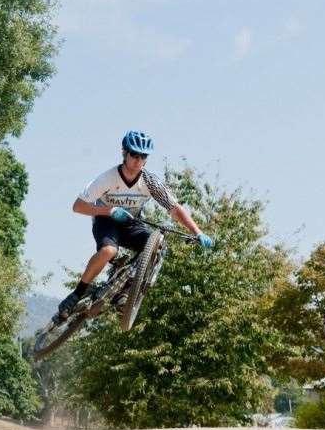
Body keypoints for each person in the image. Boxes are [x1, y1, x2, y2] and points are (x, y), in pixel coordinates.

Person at [56, 130, 213, 319]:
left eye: (143, 156)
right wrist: (110, 210)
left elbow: (174, 208)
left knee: (159, 246)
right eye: (134, 155)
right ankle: (78, 293)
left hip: (131, 224)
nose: (138, 160)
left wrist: (197, 232)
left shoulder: (150, 181)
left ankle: (127, 292)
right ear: (125, 153)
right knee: (109, 251)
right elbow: (78, 206)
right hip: (106, 221)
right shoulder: (108, 178)